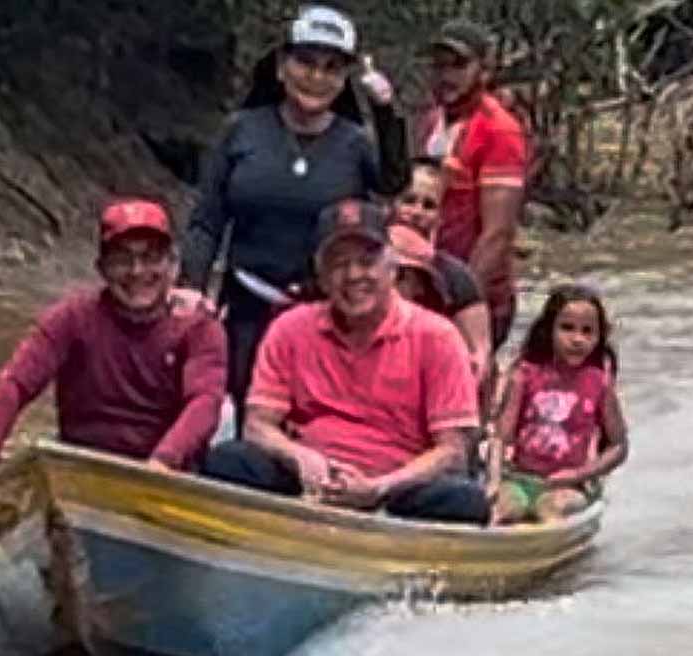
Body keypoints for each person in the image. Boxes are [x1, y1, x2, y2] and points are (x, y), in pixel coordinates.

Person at [180, 4, 409, 433]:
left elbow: (394, 182)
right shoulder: (241, 130)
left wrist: (386, 111)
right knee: (239, 415)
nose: (316, 78)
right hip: (246, 303)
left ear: (344, 80)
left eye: (331, 68)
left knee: (314, 423)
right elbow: (207, 220)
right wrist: (190, 288)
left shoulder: (355, 143)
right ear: (282, 66)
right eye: (305, 62)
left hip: (323, 311)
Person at [202, 202, 488, 524]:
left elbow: (451, 451)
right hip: (306, 478)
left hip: (397, 487)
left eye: (366, 263)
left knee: (464, 501)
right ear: (322, 278)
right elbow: (257, 425)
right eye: (339, 265)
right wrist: (299, 457)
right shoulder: (290, 327)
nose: (353, 276)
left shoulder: (438, 336)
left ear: (392, 269)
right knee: (228, 461)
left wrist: (380, 487)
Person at [0, 199, 228, 480]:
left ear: (172, 264)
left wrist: (162, 463)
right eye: (122, 259)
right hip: (82, 463)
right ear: (101, 267)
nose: (137, 271)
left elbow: (205, 402)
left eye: (151, 257)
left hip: (166, 471)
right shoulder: (71, 318)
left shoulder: (199, 327)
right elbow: (16, 383)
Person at [417, 19, 530, 350]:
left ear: (484, 69)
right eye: (439, 65)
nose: (446, 76)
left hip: (474, 295)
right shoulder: (432, 122)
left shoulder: (499, 131)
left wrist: (463, 302)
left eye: (459, 65)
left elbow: (497, 233)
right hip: (431, 287)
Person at [485, 284, 629, 525]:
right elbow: (501, 436)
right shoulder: (524, 375)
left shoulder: (599, 384)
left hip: (569, 485)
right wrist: (494, 481)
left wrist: (581, 474)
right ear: (548, 330)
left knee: (549, 509)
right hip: (521, 479)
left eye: (587, 332)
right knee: (505, 508)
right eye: (567, 328)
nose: (577, 339)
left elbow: (618, 446)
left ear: (598, 337)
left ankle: (547, 549)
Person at [391, 157, 491, 382]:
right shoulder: (364, 261)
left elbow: (480, 357)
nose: (417, 212)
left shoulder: (457, 277)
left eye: (429, 205)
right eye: (409, 201)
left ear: (441, 216)